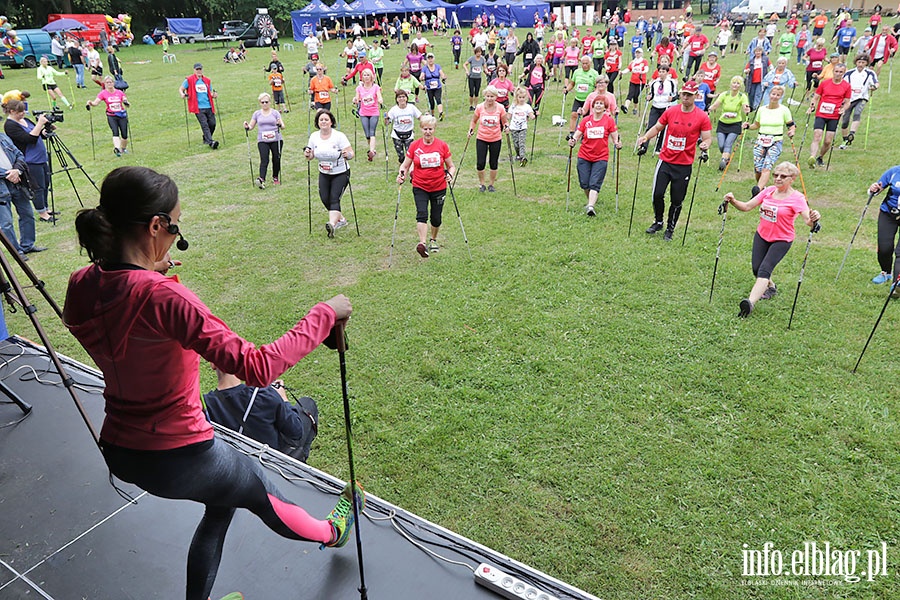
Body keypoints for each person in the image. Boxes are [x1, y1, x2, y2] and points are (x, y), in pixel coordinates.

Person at [61, 166, 361, 600]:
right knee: (258, 490)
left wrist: (146, 268)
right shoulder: (165, 297)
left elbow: (111, 316)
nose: (175, 240)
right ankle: (334, 532)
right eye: (175, 228)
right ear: (155, 226)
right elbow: (258, 368)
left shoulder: (81, 283)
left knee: (222, 502)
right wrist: (325, 313)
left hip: (120, 449)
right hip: (179, 453)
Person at [724, 162, 820, 317]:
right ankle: (771, 286)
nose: (778, 178)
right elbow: (747, 206)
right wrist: (733, 201)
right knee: (756, 268)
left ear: (792, 179)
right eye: (775, 175)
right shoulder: (768, 191)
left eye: (783, 176)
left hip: (782, 240)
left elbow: (808, 221)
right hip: (762, 235)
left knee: (764, 270)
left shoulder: (797, 198)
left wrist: (814, 219)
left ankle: (749, 303)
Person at [636, 80, 712, 241]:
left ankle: (670, 228)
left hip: (684, 164)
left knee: (677, 200)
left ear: (695, 96)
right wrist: (645, 137)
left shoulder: (702, 116)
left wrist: (705, 145)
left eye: (689, 95)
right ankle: (658, 221)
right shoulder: (671, 111)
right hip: (665, 160)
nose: (685, 97)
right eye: (684, 94)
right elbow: (657, 127)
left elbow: (707, 137)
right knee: (657, 194)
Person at [204, 369, 318, 463]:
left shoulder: (205, 405)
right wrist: (283, 399)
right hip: (272, 460)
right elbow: (296, 431)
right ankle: (299, 464)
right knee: (308, 404)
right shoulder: (262, 394)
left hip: (236, 463)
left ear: (212, 364)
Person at [396, 115, 455, 258]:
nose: (427, 132)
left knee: (436, 217)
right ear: (421, 129)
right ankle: (422, 243)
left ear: (434, 130)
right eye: (425, 129)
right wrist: (401, 175)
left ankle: (433, 239)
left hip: (439, 186)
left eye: (430, 129)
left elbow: (451, 166)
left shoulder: (442, 145)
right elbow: (405, 165)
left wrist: (450, 175)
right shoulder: (415, 146)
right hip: (420, 185)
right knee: (421, 214)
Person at [3, 99, 56, 223]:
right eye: (20, 112)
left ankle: (46, 208)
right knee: (37, 186)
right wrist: (39, 124)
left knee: (46, 184)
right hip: (30, 160)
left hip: (41, 157)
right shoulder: (10, 125)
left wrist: (46, 129)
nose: (23, 114)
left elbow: (38, 134)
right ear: (11, 111)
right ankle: (42, 213)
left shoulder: (25, 120)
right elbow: (29, 138)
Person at [568, 95, 622, 216]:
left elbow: (615, 137)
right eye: (596, 103)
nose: (598, 105)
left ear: (605, 107)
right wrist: (573, 140)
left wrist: (618, 143)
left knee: (594, 183)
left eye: (601, 104)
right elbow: (577, 134)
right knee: (584, 183)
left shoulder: (609, 121)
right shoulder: (586, 120)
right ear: (592, 106)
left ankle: (591, 206)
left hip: (601, 157)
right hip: (584, 155)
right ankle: (590, 201)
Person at [305, 110, 353, 237]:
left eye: (326, 119)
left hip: (341, 172)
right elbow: (310, 155)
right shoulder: (314, 137)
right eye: (321, 120)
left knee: (334, 198)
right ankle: (341, 219)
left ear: (331, 122)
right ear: (317, 123)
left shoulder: (339, 136)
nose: (324, 122)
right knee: (324, 198)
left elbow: (351, 154)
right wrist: (308, 154)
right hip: (324, 173)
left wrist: (346, 155)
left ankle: (332, 224)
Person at [744, 85, 795, 196]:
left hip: (775, 141)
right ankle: (761, 189)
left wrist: (792, 131)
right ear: (769, 94)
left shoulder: (784, 110)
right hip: (761, 140)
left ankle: (757, 191)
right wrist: (748, 126)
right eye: (773, 94)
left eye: (778, 95)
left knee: (767, 167)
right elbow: (756, 125)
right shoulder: (762, 110)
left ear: (781, 97)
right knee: (758, 168)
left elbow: (791, 125)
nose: (775, 97)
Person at [0, 130, 41, 258]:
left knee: (27, 213)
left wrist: (17, 170)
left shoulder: (3, 137)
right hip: (2, 186)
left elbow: (19, 154)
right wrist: (8, 174)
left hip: (16, 181)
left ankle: (28, 245)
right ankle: (16, 252)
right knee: (6, 222)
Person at [807, 62, 850, 169]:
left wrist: (843, 109)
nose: (838, 74)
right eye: (836, 71)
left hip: (834, 116)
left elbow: (848, 101)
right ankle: (812, 157)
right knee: (817, 135)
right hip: (821, 113)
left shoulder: (846, 86)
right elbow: (816, 97)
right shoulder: (825, 83)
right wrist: (812, 106)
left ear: (844, 73)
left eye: (841, 72)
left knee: (828, 141)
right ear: (833, 71)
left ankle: (820, 157)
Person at [468, 86, 508, 192]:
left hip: (496, 138)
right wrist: (471, 130)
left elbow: (505, 121)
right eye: (488, 96)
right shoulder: (480, 107)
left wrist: (507, 127)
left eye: (492, 96)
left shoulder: (500, 108)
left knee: (493, 162)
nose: (490, 99)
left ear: (496, 97)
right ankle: (482, 184)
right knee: (480, 163)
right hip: (482, 138)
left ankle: (491, 184)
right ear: (484, 96)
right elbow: (474, 121)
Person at [244, 93, 284, 189]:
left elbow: (283, 126)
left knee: (276, 158)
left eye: (266, 102)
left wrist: (279, 124)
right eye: (263, 102)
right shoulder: (257, 114)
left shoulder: (275, 113)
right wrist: (247, 127)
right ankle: (261, 179)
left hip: (276, 139)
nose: (265, 104)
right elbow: (251, 126)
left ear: (270, 102)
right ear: (260, 103)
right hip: (263, 140)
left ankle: (275, 177)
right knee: (264, 159)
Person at [709, 76, 750, 170]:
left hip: (735, 124)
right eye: (734, 83)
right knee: (721, 145)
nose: (735, 85)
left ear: (741, 86)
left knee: (728, 143)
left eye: (738, 83)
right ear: (731, 84)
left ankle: (723, 160)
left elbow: (745, 106)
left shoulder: (742, 96)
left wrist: (746, 109)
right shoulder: (724, 94)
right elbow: (716, 104)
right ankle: (726, 156)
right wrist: (710, 108)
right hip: (723, 122)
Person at [868, 166, 900, 287]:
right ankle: (886, 272)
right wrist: (873, 189)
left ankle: (897, 284)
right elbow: (878, 188)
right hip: (888, 213)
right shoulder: (894, 172)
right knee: (884, 248)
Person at [838, 54, 878, 149]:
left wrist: (874, 87)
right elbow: (842, 83)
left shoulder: (870, 73)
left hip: (862, 97)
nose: (861, 64)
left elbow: (876, 82)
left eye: (863, 62)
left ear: (866, 63)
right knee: (845, 121)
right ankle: (845, 139)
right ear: (856, 62)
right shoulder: (849, 73)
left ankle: (852, 133)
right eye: (859, 62)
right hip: (849, 99)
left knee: (857, 113)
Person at [86, 76, 131, 157]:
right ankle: (117, 149)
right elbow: (96, 103)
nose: (109, 84)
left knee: (124, 135)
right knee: (115, 132)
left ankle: (123, 149)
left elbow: (126, 101)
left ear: (113, 83)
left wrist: (126, 102)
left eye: (110, 82)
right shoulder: (103, 93)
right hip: (111, 115)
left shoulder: (119, 92)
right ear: (104, 84)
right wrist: (90, 103)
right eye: (107, 82)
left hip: (121, 115)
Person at [180, 63, 219, 150]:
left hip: (208, 106)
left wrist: (214, 95)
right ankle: (211, 142)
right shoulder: (189, 80)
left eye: (200, 69)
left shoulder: (207, 81)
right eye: (197, 69)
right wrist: (182, 94)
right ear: (194, 70)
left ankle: (206, 137)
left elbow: (210, 92)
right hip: (198, 107)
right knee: (204, 124)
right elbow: (181, 89)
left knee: (212, 123)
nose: (199, 71)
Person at [643, 64, 678, 153]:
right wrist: (649, 97)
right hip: (655, 106)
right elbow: (653, 94)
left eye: (663, 72)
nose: (661, 74)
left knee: (662, 127)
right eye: (660, 72)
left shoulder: (671, 82)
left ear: (667, 73)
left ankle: (658, 147)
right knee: (650, 126)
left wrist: (672, 98)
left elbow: (676, 95)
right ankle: (644, 146)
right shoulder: (655, 83)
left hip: (665, 107)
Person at [565, 55, 600, 139]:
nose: (584, 65)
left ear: (590, 63)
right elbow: (572, 83)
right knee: (574, 114)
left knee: (586, 118)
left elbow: (597, 86)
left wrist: (594, 94)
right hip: (578, 98)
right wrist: (567, 89)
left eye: (586, 63)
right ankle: (572, 132)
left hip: (588, 100)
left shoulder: (594, 73)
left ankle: (585, 134)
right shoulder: (577, 72)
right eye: (583, 63)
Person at [352, 70, 383, 162]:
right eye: (364, 75)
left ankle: (372, 151)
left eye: (368, 75)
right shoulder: (359, 88)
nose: (366, 77)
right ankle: (372, 149)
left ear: (371, 77)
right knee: (367, 134)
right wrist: (355, 100)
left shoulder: (376, 87)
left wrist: (380, 100)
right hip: (363, 113)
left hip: (374, 112)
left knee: (372, 131)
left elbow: (379, 96)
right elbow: (357, 98)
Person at [385, 90, 422, 164]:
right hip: (397, 135)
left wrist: (427, 119)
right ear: (396, 99)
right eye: (399, 97)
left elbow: (420, 117)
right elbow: (387, 123)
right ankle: (402, 167)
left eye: (403, 97)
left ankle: (410, 168)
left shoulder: (411, 107)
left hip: (409, 134)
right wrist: (386, 118)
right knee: (401, 156)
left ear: (407, 98)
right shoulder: (393, 110)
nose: (402, 99)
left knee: (410, 154)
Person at [508, 87, 535, 166]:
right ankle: (518, 155)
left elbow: (531, 115)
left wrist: (534, 116)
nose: (522, 99)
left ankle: (523, 158)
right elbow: (508, 116)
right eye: (520, 97)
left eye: (523, 97)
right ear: (516, 97)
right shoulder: (513, 106)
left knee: (521, 143)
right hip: (513, 127)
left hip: (523, 128)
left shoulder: (527, 107)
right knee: (516, 143)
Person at [622, 48, 649, 115]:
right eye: (636, 53)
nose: (637, 54)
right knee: (630, 94)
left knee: (636, 96)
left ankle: (635, 108)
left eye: (639, 53)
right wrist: (622, 72)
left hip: (641, 81)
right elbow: (628, 69)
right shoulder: (633, 62)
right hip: (633, 81)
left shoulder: (644, 61)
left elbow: (646, 69)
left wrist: (642, 72)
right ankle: (626, 107)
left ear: (641, 54)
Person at [744, 46, 772, 111]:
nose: (758, 52)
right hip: (752, 80)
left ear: (762, 52)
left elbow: (771, 67)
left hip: (761, 80)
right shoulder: (751, 60)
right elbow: (745, 70)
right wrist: (747, 71)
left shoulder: (765, 59)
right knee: (751, 94)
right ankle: (751, 106)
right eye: (756, 51)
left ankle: (756, 107)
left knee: (758, 94)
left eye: (759, 51)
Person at [421, 53, 447, 119]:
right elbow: (421, 76)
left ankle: (441, 113)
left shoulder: (438, 66)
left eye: (431, 58)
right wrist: (422, 78)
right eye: (428, 58)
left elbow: (441, 73)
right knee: (431, 102)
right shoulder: (424, 68)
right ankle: (432, 115)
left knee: (438, 99)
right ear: (426, 60)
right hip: (429, 87)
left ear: (434, 59)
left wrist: (444, 77)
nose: (430, 60)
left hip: (437, 86)